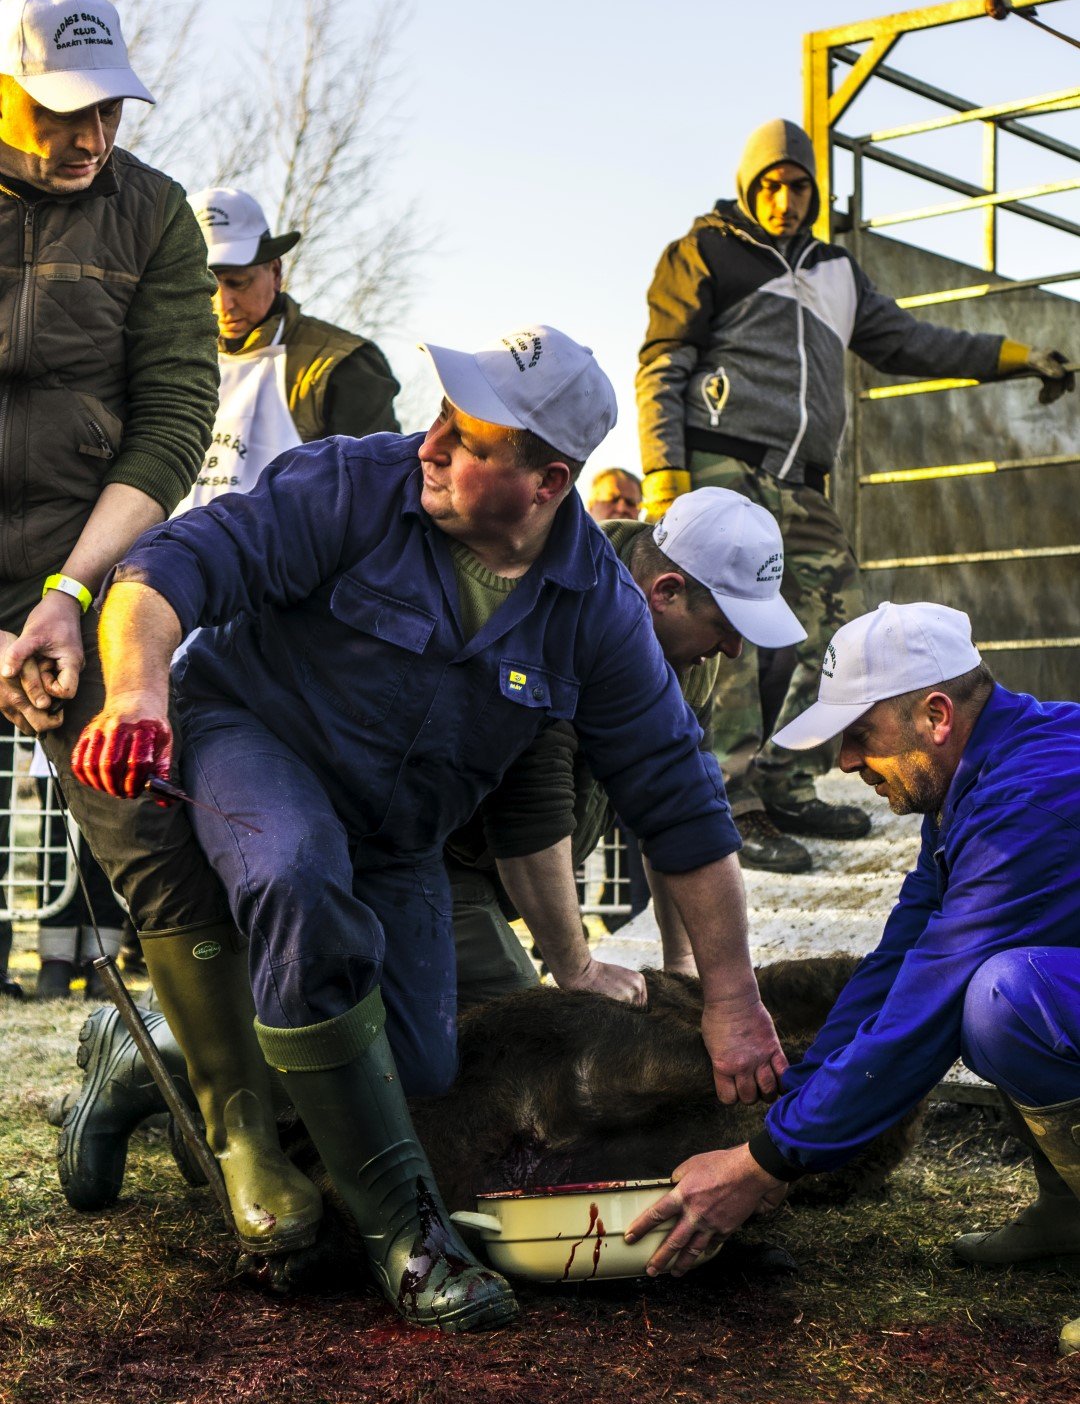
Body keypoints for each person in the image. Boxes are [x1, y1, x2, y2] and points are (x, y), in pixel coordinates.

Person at [68, 324, 786, 1333]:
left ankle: (152, 1053)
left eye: (470, 435)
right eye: (441, 418)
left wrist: (733, 999)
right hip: (251, 733)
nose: (432, 444)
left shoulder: (597, 611)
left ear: (547, 481)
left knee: (419, 1069)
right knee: (298, 873)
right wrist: (137, 692)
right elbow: (171, 565)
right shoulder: (353, 484)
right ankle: (404, 1235)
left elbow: (681, 802)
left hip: (397, 834)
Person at [626, 600, 1080, 1356]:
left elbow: (924, 1012)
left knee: (1006, 997)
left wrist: (763, 1163)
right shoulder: (977, 774)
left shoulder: (1032, 793)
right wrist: (791, 1104)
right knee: (990, 989)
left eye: (859, 734)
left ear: (935, 716)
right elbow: (898, 963)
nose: (841, 762)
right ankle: (1072, 1208)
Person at [635, 118, 1075, 876]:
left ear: (816, 190)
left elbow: (911, 340)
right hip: (723, 464)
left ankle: (785, 777)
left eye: (798, 184)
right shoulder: (706, 251)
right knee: (731, 630)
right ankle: (731, 802)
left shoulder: (836, 272)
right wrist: (664, 473)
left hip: (801, 479)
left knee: (839, 624)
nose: (784, 198)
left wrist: (1017, 356)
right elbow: (663, 362)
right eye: (770, 184)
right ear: (749, 186)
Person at [0, 0, 231, 997]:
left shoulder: (153, 215)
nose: (89, 134)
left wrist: (71, 590)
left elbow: (176, 415)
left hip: (84, 563)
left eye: (109, 107)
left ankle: (235, 1119)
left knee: (149, 818)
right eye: (61, 110)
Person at [448, 486, 806, 1005]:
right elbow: (529, 806)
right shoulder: (560, 607)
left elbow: (673, 807)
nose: (733, 650)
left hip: (512, 874)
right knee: (520, 1031)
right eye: (726, 628)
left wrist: (682, 964)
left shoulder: (690, 658)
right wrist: (577, 967)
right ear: (665, 592)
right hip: (437, 863)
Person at [182, 187, 400, 508]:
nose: (223, 304)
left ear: (275, 272)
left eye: (237, 282)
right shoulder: (168, 358)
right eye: (207, 286)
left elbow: (377, 495)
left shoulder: (340, 364)